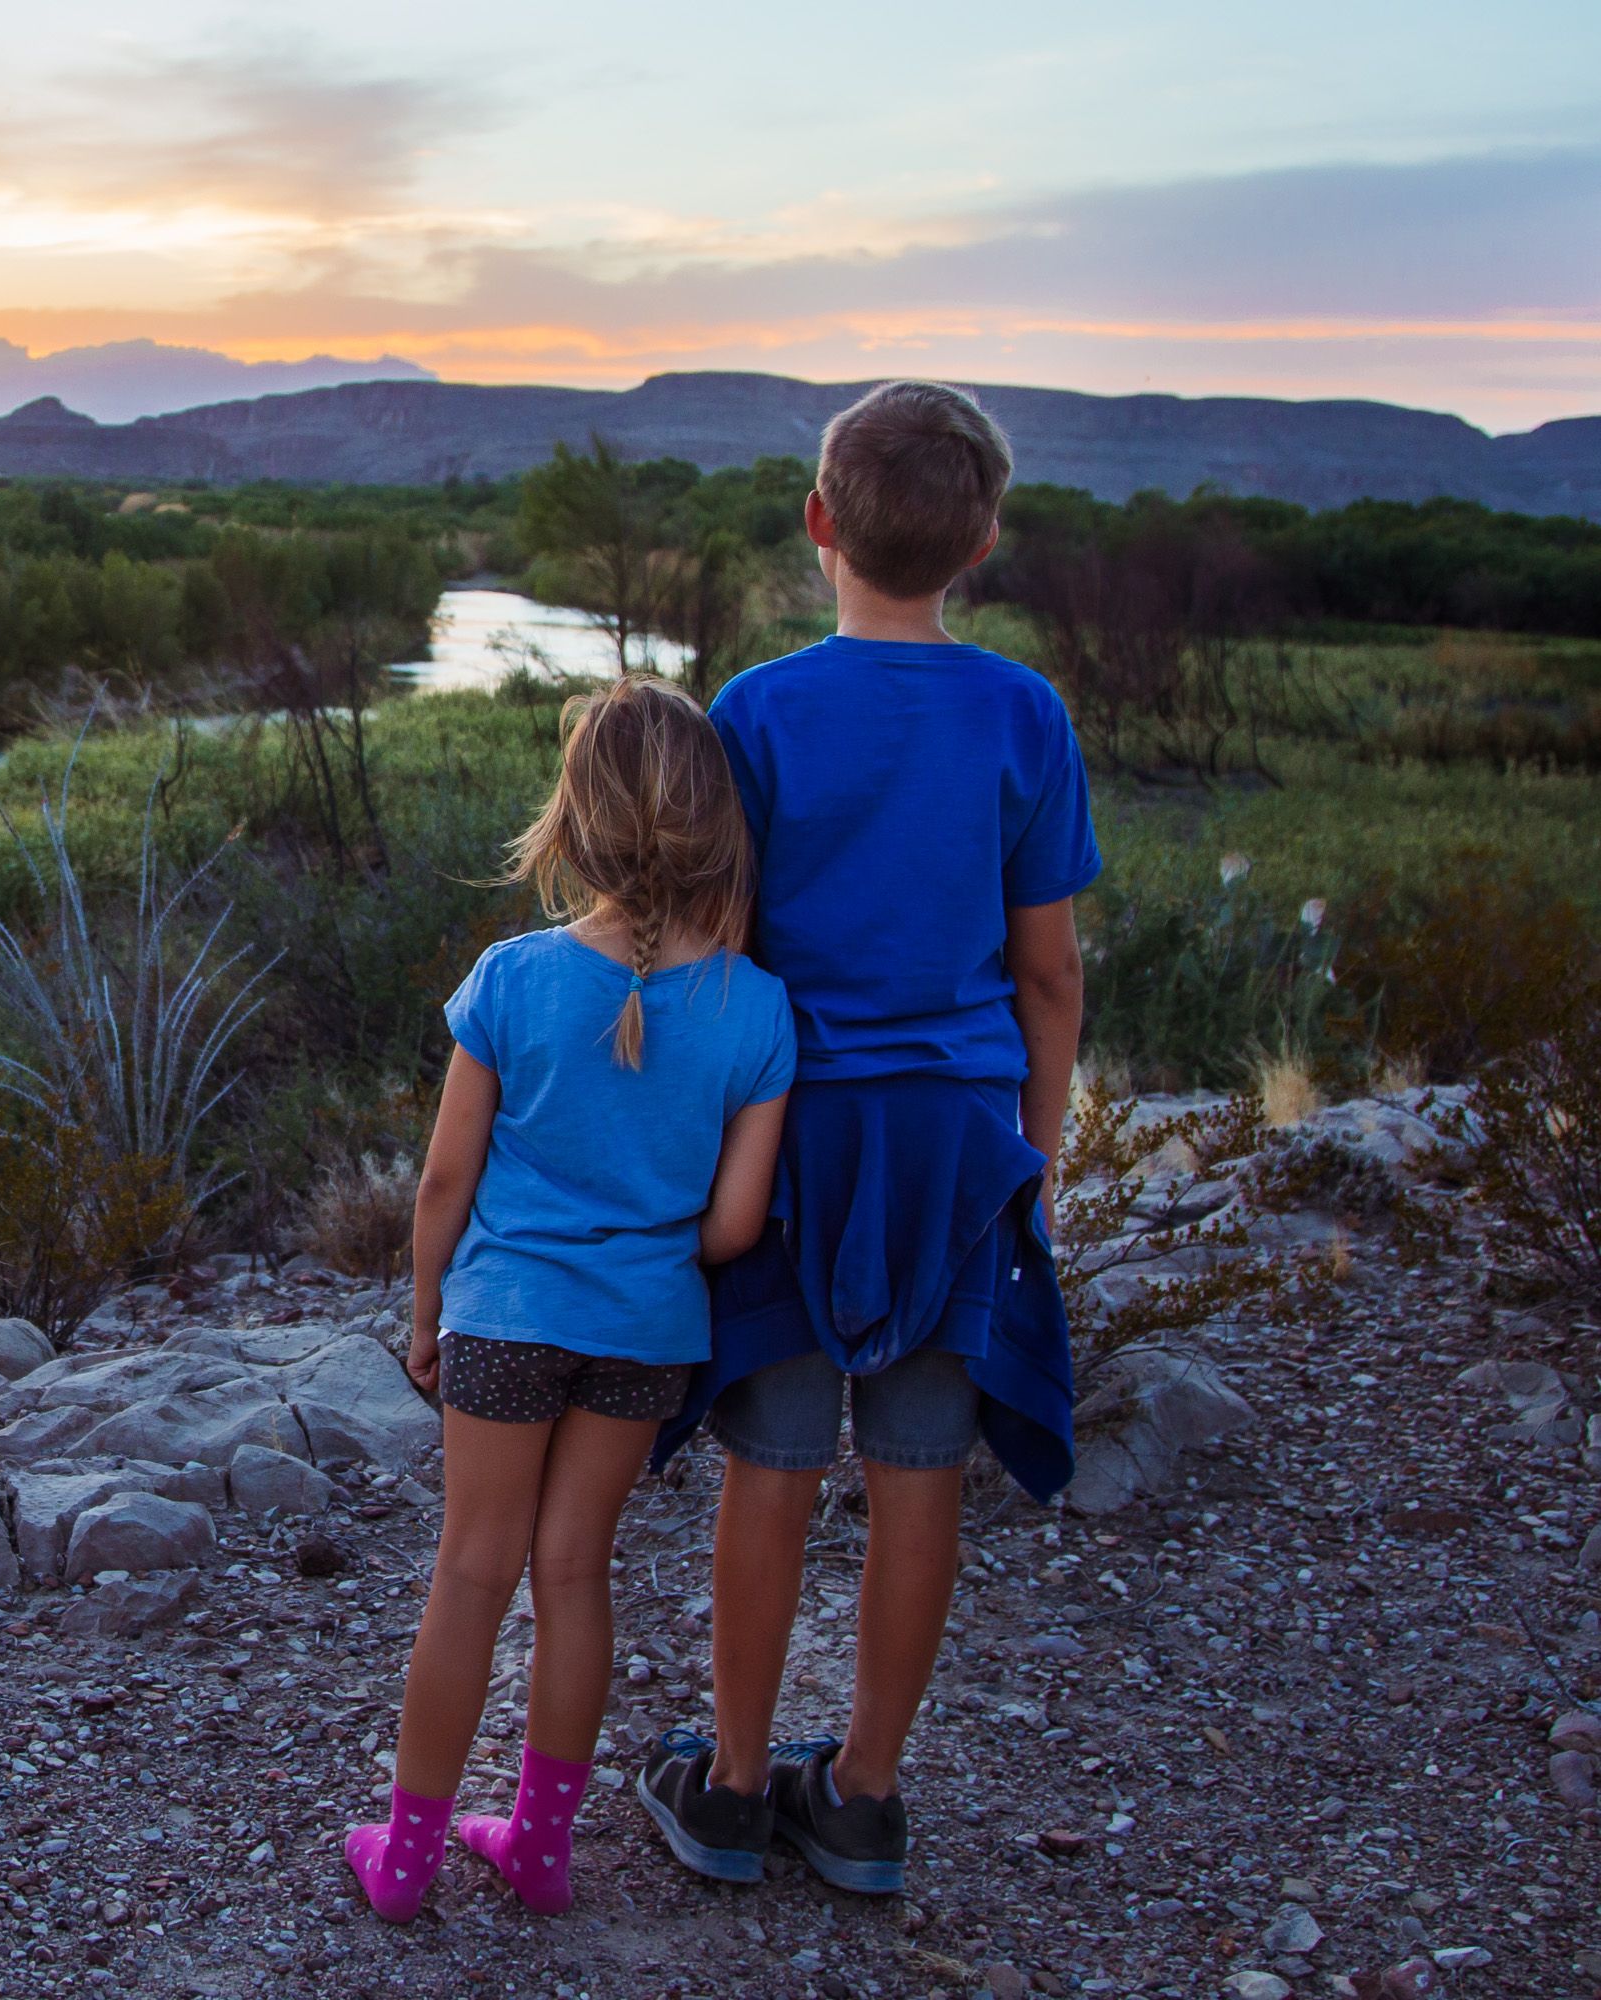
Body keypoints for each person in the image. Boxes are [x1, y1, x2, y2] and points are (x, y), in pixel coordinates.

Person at [638, 381, 1099, 1897]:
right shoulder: (1027, 716)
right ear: (979, 542)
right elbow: (1047, 972)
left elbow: (710, 950)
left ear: (820, 522)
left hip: (791, 1135)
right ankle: (868, 1801)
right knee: (920, 1471)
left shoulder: (756, 713)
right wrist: (1031, 1150)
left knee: (767, 1465)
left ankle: (732, 1784)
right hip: (957, 1145)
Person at [343, 676, 795, 1922]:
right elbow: (733, 1228)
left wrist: (427, 1314)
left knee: (471, 1572)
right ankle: (540, 1849)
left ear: (575, 823)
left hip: (502, 1317)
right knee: (575, 1574)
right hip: (645, 1330)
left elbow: (443, 1179)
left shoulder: (514, 976)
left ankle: (411, 1852)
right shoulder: (759, 1009)